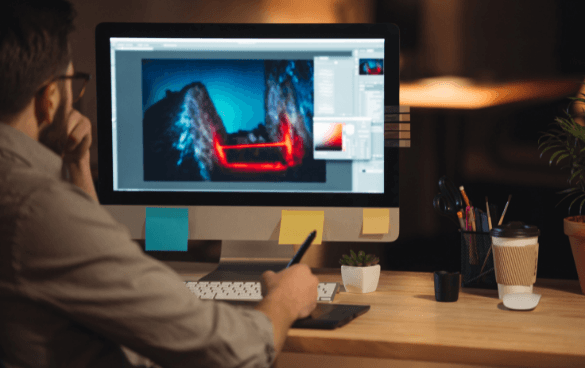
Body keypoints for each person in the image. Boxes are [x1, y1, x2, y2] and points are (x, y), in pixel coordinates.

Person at [0, 1, 319, 367]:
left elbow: (92, 252)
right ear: (49, 98)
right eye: (74, 83)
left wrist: (76, 164)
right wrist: (286, 300)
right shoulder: (37, 210)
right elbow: (232, 352)